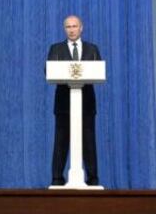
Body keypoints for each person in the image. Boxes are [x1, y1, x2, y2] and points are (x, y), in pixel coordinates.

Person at [46, 15, 101, 186]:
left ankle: (92, 180)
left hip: (86, 104)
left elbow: (98, 70)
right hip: (64, 104)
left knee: (89, 143)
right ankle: (57, 179)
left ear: (81, 28)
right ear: (65, 29)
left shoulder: (92, 49)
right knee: (61, 142)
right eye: (68, 27)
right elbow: (48, 70)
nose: (71, 29)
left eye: (74, 26)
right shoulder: (55, 49)